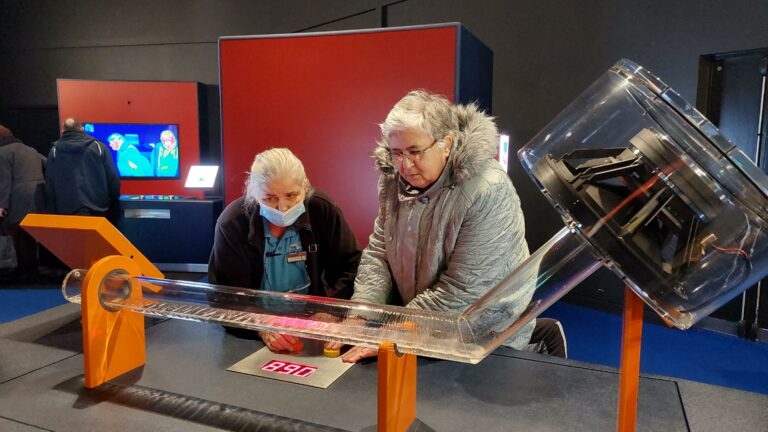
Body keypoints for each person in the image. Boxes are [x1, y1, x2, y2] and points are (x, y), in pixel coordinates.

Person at [331, 90, 535, 363]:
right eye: (396, 153)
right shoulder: (392, 180)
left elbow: (465, 291)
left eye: (415, 152)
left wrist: (397, 331)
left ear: (446, 144)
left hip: (486, 340)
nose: (404, 165)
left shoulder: (488, 189)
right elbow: (380, 254)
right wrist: (362, 315)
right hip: (419, 328)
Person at [208, 147, 361, 353]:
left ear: (305, 186)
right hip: (251, 334)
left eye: (291, 195)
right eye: (269, 198)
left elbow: (352, 267)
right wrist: (261, 324)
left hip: (314, 327)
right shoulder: (233, 223)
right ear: (253, 194)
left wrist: (331, 310)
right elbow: (226, 295)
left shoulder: (321, 210)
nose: (283, 207)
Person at [46, 118, 121, 218]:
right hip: (97, 208)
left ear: (63, 130)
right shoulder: (98, 147)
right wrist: (113, 201)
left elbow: (50, 182)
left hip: (66, 210)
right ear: (82, 129)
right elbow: (112, 177)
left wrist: (53, 209)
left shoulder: (55, 150)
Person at [0, 124, 46, 279]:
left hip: (18, 198)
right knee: (31, 235)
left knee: (18, 233)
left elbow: (4, 181)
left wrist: (2, 205)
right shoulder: (31, 149)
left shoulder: (3, 152)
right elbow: (48, 164)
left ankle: (23, 270)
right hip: (38, 197)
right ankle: (33, 268)